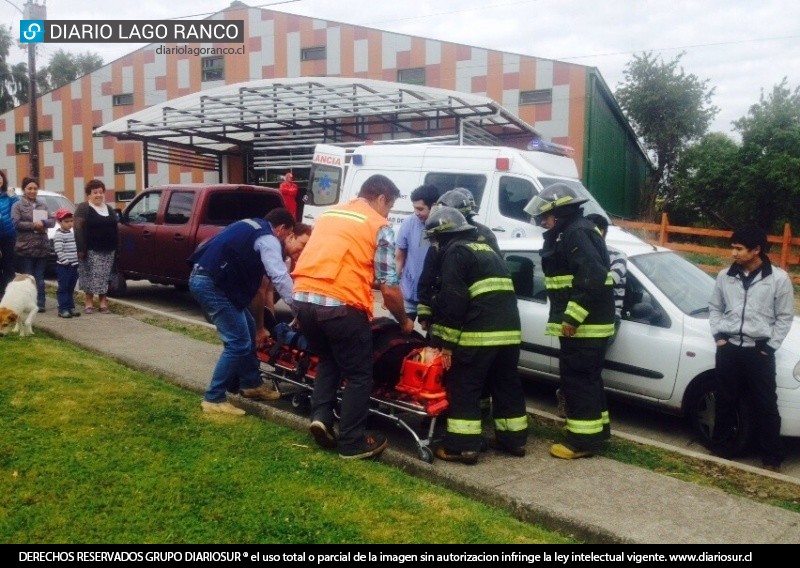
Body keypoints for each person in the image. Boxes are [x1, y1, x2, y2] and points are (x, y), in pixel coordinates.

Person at [292, 174, 414, 460]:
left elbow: (337, 257)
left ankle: (321, 417)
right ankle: (352, 442)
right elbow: (389, 286)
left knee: (328, 360)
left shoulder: (329, 214)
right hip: (341, 306)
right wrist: (405, 321)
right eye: (390, 206)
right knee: (359, 374)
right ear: (381, 198)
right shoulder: (377, 224)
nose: (389, 214)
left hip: (303, 298)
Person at [424, 206, 528, 465]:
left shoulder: (455, 252)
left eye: (435, 239)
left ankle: (463, 447)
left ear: (443, 235)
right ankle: (513, 440)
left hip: (479, 333)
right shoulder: (485, 249)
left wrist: (446, 344)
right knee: (505, 384)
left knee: (464, 384)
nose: (435, 245)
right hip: (509, 332)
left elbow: (454, 299)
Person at [524, 183, 615, 460]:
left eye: (545, 216)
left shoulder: (576, 233)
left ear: (560, 212)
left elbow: (592, 277)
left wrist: (572, 317)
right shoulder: (574, 231)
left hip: (585, 325)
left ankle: (581, 442)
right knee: (587, 379)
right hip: (589, 323)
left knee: (578, 380)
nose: (542, 222)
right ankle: (594, 432)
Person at [189, 208, 297, 415]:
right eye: (287, 235)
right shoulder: (268, 238)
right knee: (237, 343)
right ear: (281, 228)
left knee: (247, 331)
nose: (285, 241)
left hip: (208, 279)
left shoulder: (250, 224)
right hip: (212, 285)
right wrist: (298, 308)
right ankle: (213, 398)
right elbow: (279, 276)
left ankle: (251, 384)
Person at [708, 226, 794, 473]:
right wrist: (719, 336)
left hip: (759, 352)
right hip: (729, 349)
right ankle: (721, 450)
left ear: (756, 250)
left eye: (739, 248)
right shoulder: (725, 276)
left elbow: (785, 317)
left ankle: (771, 459)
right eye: (732, 247)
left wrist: (770, 347)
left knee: (766, 404)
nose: (733, 252)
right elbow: (714, 307)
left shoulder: (777, 279)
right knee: (725, 400)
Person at [553, 213, 628, 418]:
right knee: (587, 376)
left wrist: (573, 315)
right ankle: (581, 414)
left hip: (596, 321)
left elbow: (599, 282)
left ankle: (581, 429)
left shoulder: (615, 256)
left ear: (599, 232)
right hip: (586, 320)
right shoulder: (580, 250)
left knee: (583, 375)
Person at [253, 222, 313, 338]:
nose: (304, 251)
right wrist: (260, 328)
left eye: (308, 248)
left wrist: (272, 324)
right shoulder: (275, 251)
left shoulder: (290, 258)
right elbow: (260, 290)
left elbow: (269, 289)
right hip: (223, 288)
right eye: (303, 244)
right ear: (291, 237)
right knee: (240, 344)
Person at [73, 179, 119, 314]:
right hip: (91, 249)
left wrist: (118, 247)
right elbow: (78, 229)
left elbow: (115, 228)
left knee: (105, 277)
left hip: (109, 249)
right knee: (92, 276)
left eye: (100, 192)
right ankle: (89, 303)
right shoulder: (83, 208)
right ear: (89, 194)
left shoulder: (108, 208)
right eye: (95, 192)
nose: (98, 195)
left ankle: (103, 303)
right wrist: (81, 249)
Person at [395, 184, 439, 321]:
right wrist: (393, 289)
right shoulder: (409, 223)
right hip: (408, 295)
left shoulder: (444, 227)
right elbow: (399, 257)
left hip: (432, 299)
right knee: (395, 334)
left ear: (434, 206)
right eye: (414, 208)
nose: (416, 213)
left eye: (420, 209)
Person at [11, 176, 53, 312]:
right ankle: (27, 303)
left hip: (41, 247)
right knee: (28, 278)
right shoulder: (17, 205)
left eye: (35, 188)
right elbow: (16, 223)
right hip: (26, 248)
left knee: (40, 278)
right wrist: (34, 225)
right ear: (24, 189)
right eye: (29, 188)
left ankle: (40, 303)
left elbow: (52, 221)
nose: (32, 191)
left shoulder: (43, 205)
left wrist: (44, 223)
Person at [53, 209, 81, 319]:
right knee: (63, 288)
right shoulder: (59, 235)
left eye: (71, 221)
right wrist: (66, 262)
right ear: (59, 222)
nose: (70, 223)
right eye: (66, 221)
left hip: (74, 265)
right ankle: (63, 308)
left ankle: (70, 307)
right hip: (64, 266)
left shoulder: (71, 233)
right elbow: (59, 250)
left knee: (71, 287)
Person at [0, 171, 20, 298]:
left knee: (8, 265)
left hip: (9, 235)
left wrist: (13, 197)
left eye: (0, 178)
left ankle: (11, 293)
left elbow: (16, 209)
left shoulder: (9, 195)